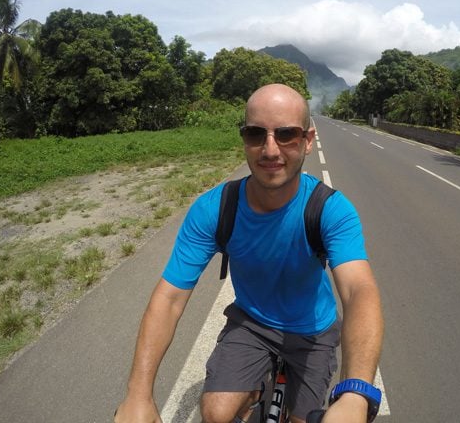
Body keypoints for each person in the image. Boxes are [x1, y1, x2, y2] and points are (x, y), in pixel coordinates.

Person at [115, 83, 384, 423]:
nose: (270, 150)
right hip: (252, 323)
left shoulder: (330, 210)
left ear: (307, 140)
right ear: (244, 138)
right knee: (215, 413)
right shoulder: (215, 209)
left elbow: (359, 291)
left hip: (313, 330)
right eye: (256, 134)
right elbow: (169, 298)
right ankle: (254, 389)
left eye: (286, 134)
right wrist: (138, 395)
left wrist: (356, 394)